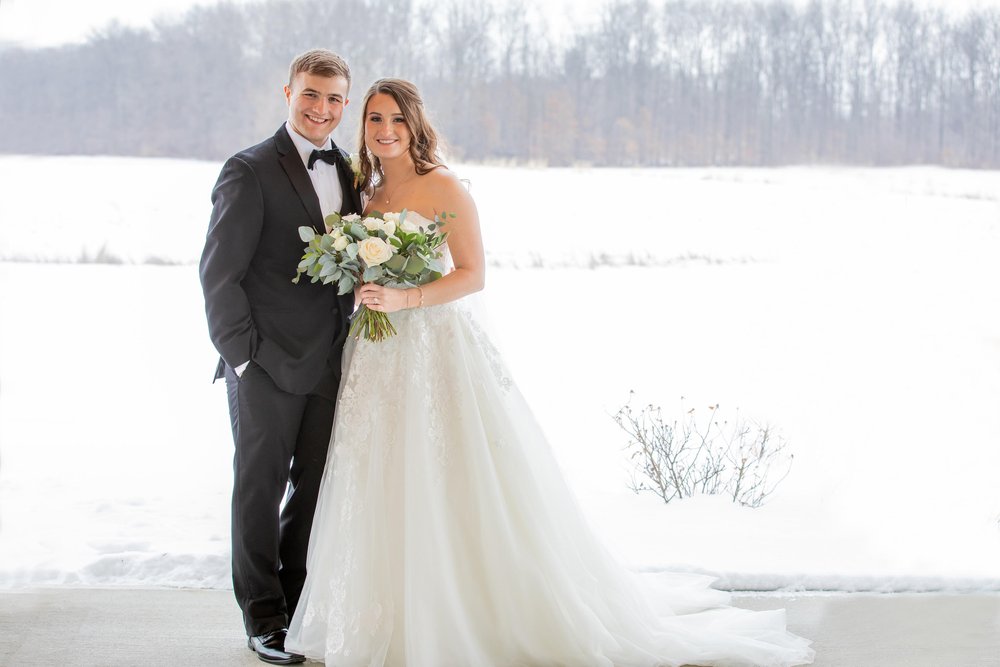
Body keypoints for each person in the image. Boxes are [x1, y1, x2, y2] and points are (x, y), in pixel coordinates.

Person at [285, 78, 815, 666]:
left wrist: (406, 300)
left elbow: (471, 274)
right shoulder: (370, 191)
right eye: (375, 120)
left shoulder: (445, 186)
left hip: (434, 348)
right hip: (376, 354)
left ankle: (464, 612)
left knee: (445, 476)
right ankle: (384, 614)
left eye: (396, 121)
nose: (384, 131)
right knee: (378, 473)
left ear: (415, 125)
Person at [199, 49, 363, 665]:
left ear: (345, 104)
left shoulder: (347, 170)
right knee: (259, 487)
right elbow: (219, 275)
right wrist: (242, 357)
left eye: (333, 99)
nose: (321, 109)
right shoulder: (248, 169)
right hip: (264, 363)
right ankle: (262, 617)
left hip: (329, 360)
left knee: (316, 485)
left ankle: (295, 607)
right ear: (288, 93)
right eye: (310, 95)